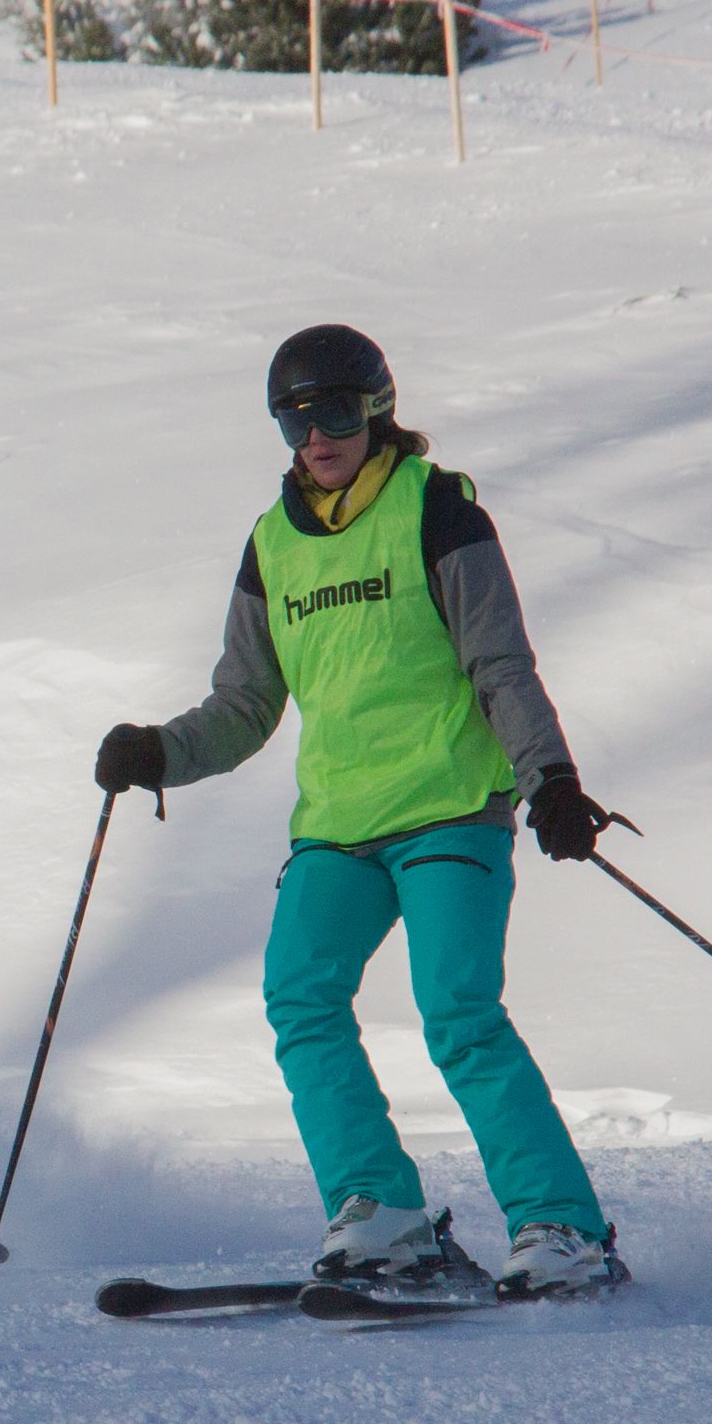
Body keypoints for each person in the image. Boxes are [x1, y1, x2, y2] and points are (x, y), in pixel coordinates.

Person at [95, 324, 625, 1300]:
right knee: (300, 997)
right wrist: (159, 753)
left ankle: (564, 1229)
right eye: (293, 420)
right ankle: (381, 1214)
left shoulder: (437, 512)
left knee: (458, 1013)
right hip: (336, 826)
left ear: (377, 410)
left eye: (334, 413)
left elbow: (499, 663)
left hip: (449, 810)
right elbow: (244, 707)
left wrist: (548, 780)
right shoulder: (273, 544)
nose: (316, 436)